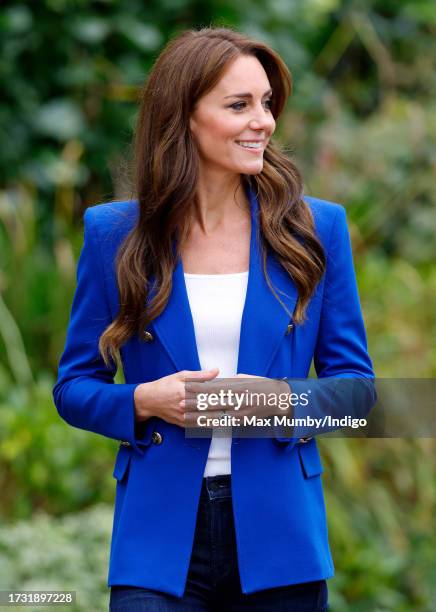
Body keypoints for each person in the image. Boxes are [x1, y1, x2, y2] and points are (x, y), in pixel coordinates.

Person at [53, 26, 374, 611]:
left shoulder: (316, 230)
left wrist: (280, 400)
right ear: (185, 116)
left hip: (281, 540)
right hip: (157, 542)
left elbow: (358, 395)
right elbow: (73, 388)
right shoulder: (113, 235)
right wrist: (143, 401)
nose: (264, 121)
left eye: (267, 102)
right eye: (239, 105)